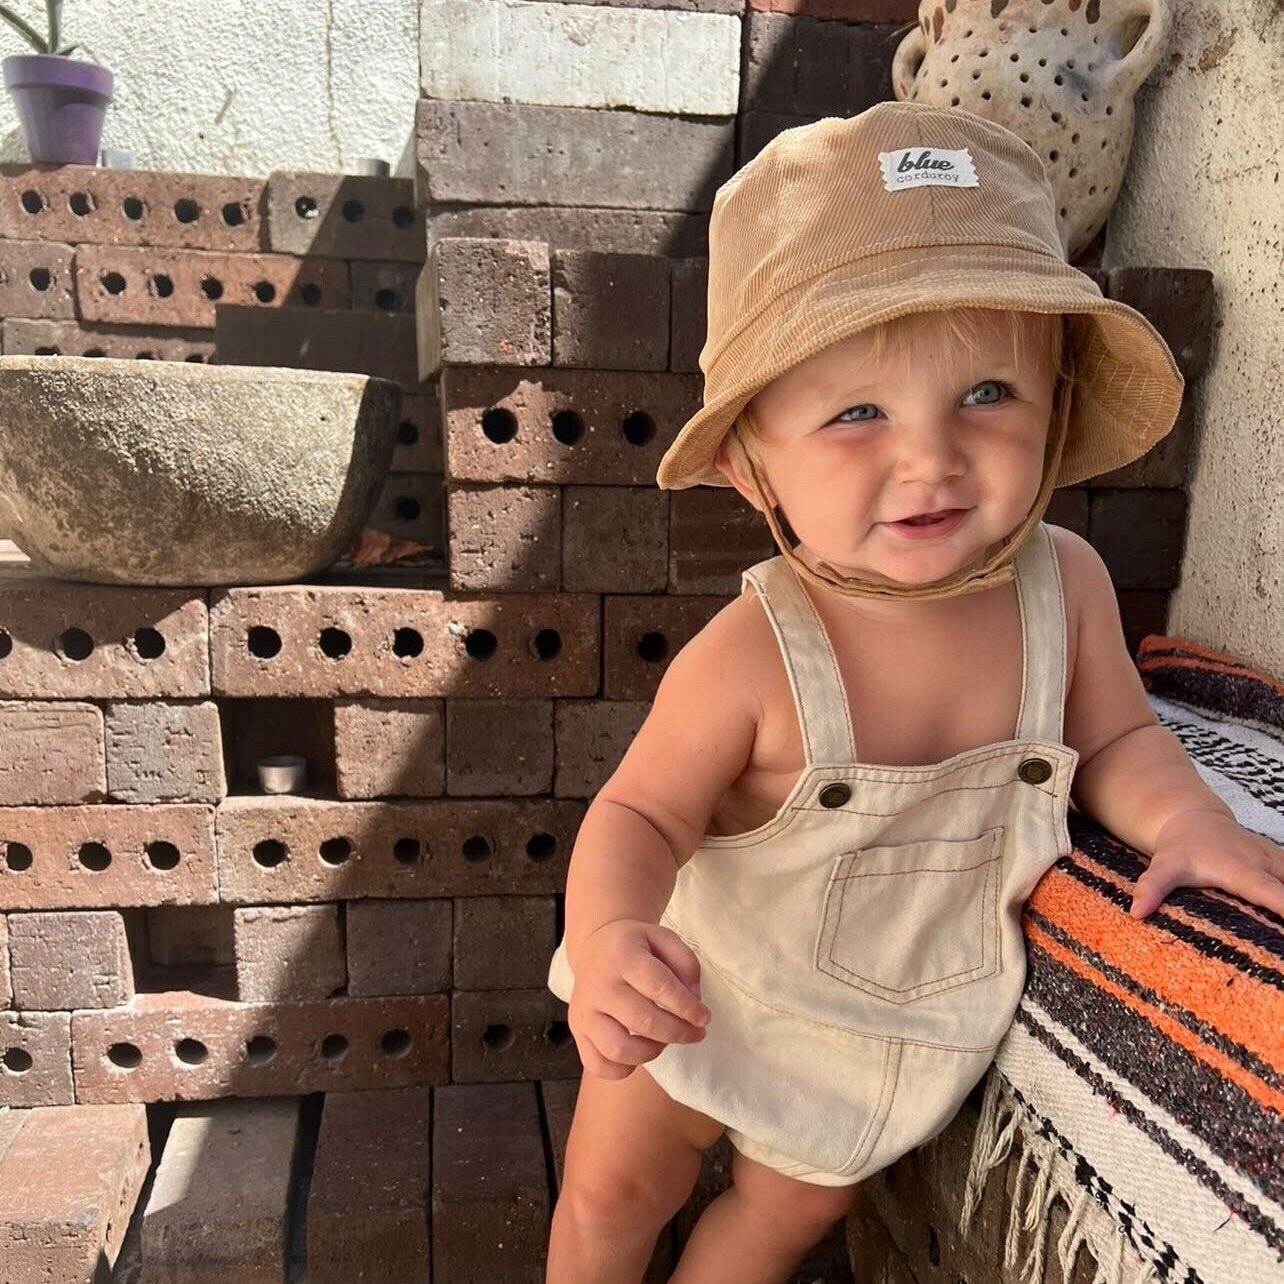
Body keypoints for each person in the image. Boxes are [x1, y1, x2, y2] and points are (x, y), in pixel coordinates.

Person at [542, 102, 1284, 1284]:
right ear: (751, 462)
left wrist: (1190, 819)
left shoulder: (1066, 587)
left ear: (1057, 404)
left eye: (987, 394)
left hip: (882, 1035)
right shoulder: (756, 652)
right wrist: (610, 932)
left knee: (785, 1221)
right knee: (616, 1193)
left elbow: (1120, 736)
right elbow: (638, 815)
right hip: (704, 996)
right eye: (856, 413)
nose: (931, 458)